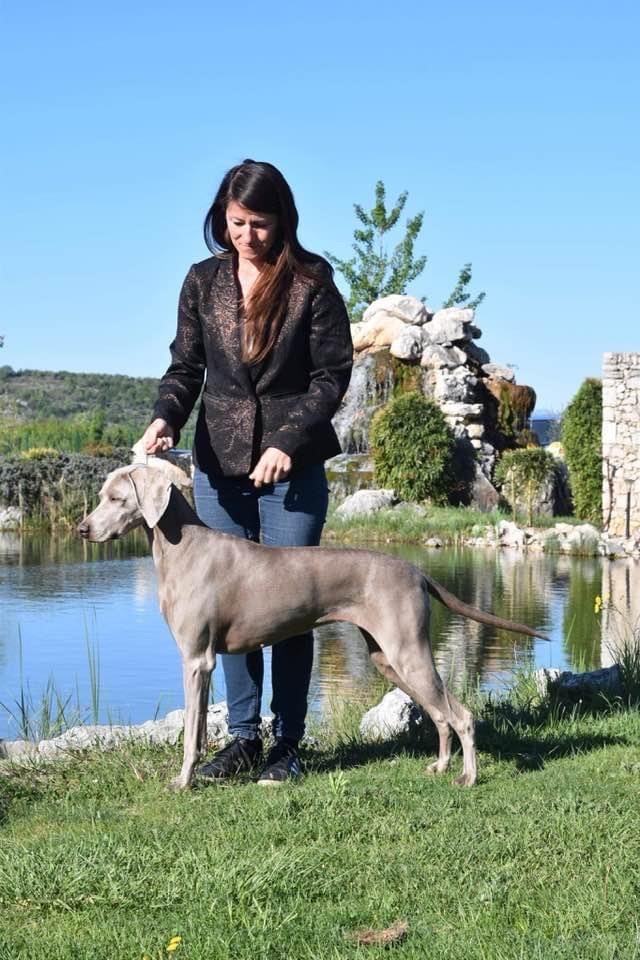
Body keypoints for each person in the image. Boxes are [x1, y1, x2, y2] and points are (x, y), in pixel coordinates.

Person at [140, 159, 353, 784]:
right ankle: (241, 740)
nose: (248, 235)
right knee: (224, 604)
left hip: (293, 467)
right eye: (237, 222)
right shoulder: (201, 281)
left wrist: (289, 439)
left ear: (283, 219)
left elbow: (331, 376)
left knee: (293, 604)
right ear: (221, 218)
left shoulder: (313, 281)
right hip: (217, 464)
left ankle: (287, 743)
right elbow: (185, 368)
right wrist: (165, 418)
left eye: (260, 223)